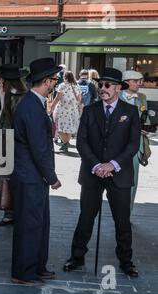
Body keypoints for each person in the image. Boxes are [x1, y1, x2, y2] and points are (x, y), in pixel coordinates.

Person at [63, 68, 141, 278]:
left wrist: (113, 164)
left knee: (122, 221)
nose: (103, 89)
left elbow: (133, 144)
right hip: (92, 173)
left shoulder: (130, 112)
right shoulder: (90, 110)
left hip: (119, 174)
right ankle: (77, 257)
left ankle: (126, 261)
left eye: (107, 85)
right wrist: (97, 165)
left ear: (117, 88)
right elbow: (82, 141)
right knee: (86, 217)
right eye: (101, 85)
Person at [11, 58, 62, 285]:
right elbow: (38, 147)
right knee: (30, 226)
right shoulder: (31, 106)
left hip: (33, 176)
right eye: (54, 79)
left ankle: (38, 267)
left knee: (40, 224)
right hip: (29, 176)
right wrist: (52, 177)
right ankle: (24, 273)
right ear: (45, 81)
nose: (56, 83)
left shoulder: (35, 103)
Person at [0, 64, 27, 227]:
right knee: (6, 176)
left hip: (15, 142)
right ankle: (9, 211)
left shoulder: (21, 97)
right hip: (4, 137)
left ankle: (14, 212)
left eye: (2, 80)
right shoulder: (9, 94)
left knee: (11, 176)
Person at [119, 70, 151, 213]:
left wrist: (147, 127)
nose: (140, 84)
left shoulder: (142, 98)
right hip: (117, 144)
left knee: (132, 181)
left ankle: (127, 213)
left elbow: (145, 119)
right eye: (136, 81)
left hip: (135, 146)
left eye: (141, 81)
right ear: (126, 82)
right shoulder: (116, 96)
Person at [51, 71, 83, 153]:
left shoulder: (62, 86)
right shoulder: (77, 86)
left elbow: (58, 98)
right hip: (73, 110)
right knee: (69, 128)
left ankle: (65, 143)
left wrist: (52, 107)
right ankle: (66, 144)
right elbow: (79, 100)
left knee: (59, 126)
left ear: (65, 77)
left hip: (62, 109)